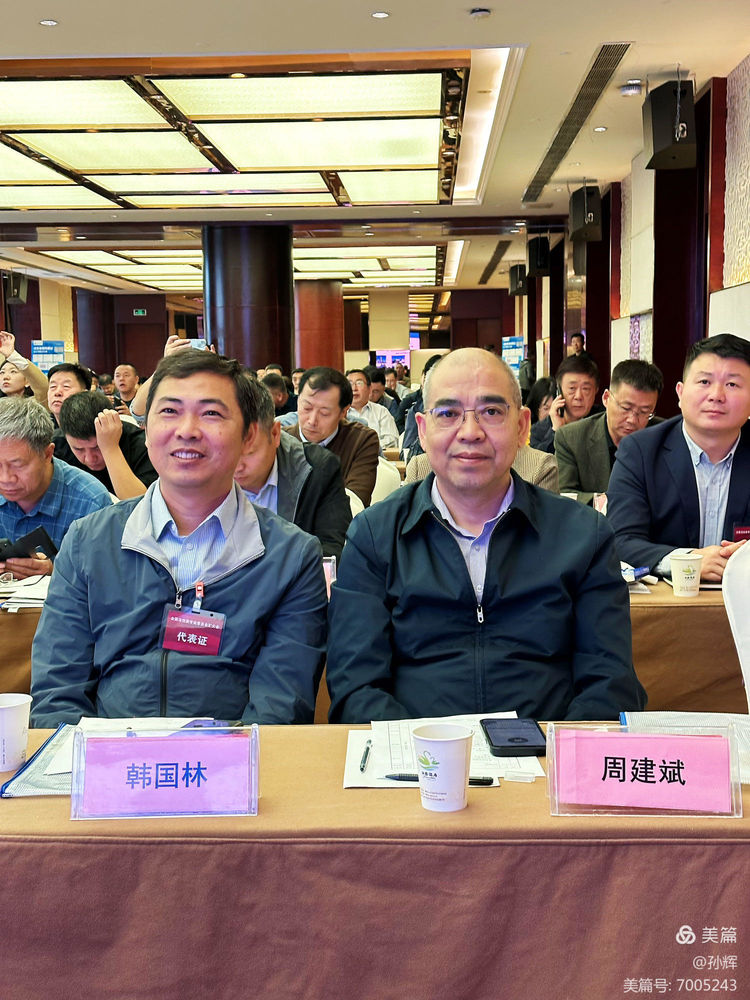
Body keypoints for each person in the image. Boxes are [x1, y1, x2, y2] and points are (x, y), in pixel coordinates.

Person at [326, 348, 645, 723]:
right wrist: (427, 752)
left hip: (546, 749)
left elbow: (609, 684)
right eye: (448, 414)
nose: (470, 432)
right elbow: (356, 688)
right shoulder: (375, 535)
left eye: (491, 412)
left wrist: (553, 751)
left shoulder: (583, 535)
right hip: (416, 751)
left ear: (522, 426)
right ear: (423, 431)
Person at [31, 349, 328, 727]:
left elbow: (279, 707)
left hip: (231, 758)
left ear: (248, 435)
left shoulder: (290, 556)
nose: (187, 430)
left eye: (211, 413)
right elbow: (58, 692)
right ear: (145, 429)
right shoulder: (88, 542)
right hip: (108, 755)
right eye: (169, 411)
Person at [607, 334, 750, 581]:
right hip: (667, 600)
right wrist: (688, 561)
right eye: (704, 381)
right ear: (680, 393)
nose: (716, 395)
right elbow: (620, 541)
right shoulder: (640, 452)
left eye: (732, 384)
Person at [233, 379, 351, 559]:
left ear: (275, 434)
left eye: (249, 453)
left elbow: (331, 550)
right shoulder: (200, 469)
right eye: (227, 453)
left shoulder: (317, 470)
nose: (236, 466)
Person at [0, 397, 111, 578]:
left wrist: (58, 573)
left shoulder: (90, 503)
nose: (5, 478)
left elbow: (106, 579)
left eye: (18, 465)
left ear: (47, 453)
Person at [554, 359, 663, 503]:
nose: (632, 419)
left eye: (644, 412)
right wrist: (612, 503)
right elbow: (565, 495)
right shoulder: (570, 438)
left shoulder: (665, 436)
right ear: (606, 398)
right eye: (626, 408)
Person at [286, 366, 380, 506]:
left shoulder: (362, 440)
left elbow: (354, 502)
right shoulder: (280, 440)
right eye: (307, 408)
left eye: (324, 413)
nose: (312, 420)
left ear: (344, 412)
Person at [54, 391, 158, 499]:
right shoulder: (56, 445)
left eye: (97, 447)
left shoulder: (144, 445)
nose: (90, 459)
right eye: (78, 449)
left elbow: (142, 503)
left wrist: (110, 448)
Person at [529, 355, 601, 453]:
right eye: (572, 388)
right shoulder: (538, 431)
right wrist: (556, 431)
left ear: (596, 390)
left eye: (586, 389)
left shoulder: (605, 423)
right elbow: (538, 460)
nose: (578, 396)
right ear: (559, 390)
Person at [346, 368, 399, 449]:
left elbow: (392, 440)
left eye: (359, 383)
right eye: (349, 383)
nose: (354, 388)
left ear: (369, 388)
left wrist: (365, 447)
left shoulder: (381, 411)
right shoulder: (337, 413)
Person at [0, 332, 49, 405]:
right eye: (2, 372)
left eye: (13, 371)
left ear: (27, 381)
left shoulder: (35, 404)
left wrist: (12, 356)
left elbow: (43, 387)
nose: (5, 377)